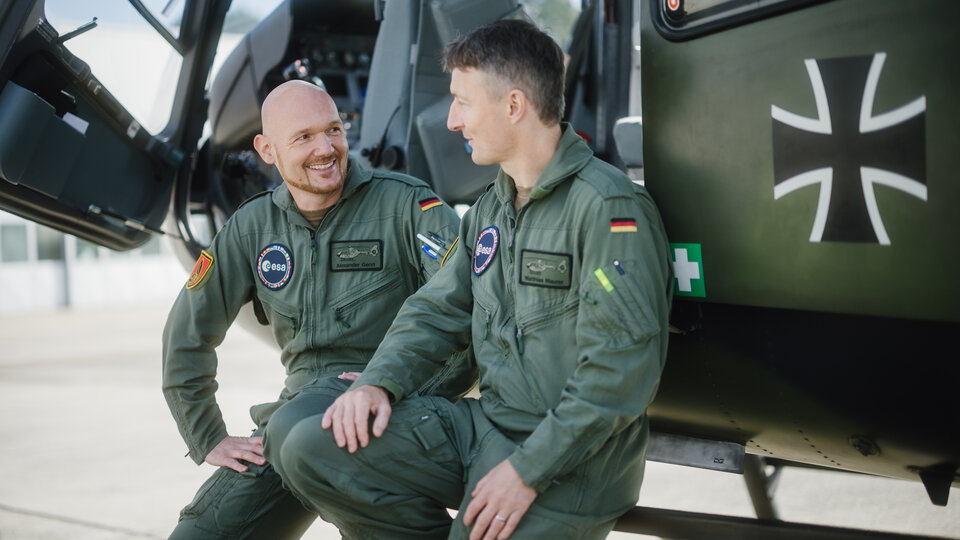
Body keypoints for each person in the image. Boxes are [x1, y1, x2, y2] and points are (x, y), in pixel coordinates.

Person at [266, 19, 673, 540]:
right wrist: (377, 383)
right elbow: (436, 311)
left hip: (572, 465)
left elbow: (619, 372)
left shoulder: (609, 210)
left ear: (513, 106)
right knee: (313, 444)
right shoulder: (494, 206)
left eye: (463, 101)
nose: (453, 120)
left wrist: (527, 472)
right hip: (487, 430)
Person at [161, 80, 471, 539]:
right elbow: (186, 334)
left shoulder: (407, 205)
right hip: (294, 418)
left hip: (391, 411)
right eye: (303, 137)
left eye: (334, 130)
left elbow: (468, 312)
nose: (325, 148)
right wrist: (207, 436)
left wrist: (399, 391)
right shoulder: (251, 227)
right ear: (267, 150)